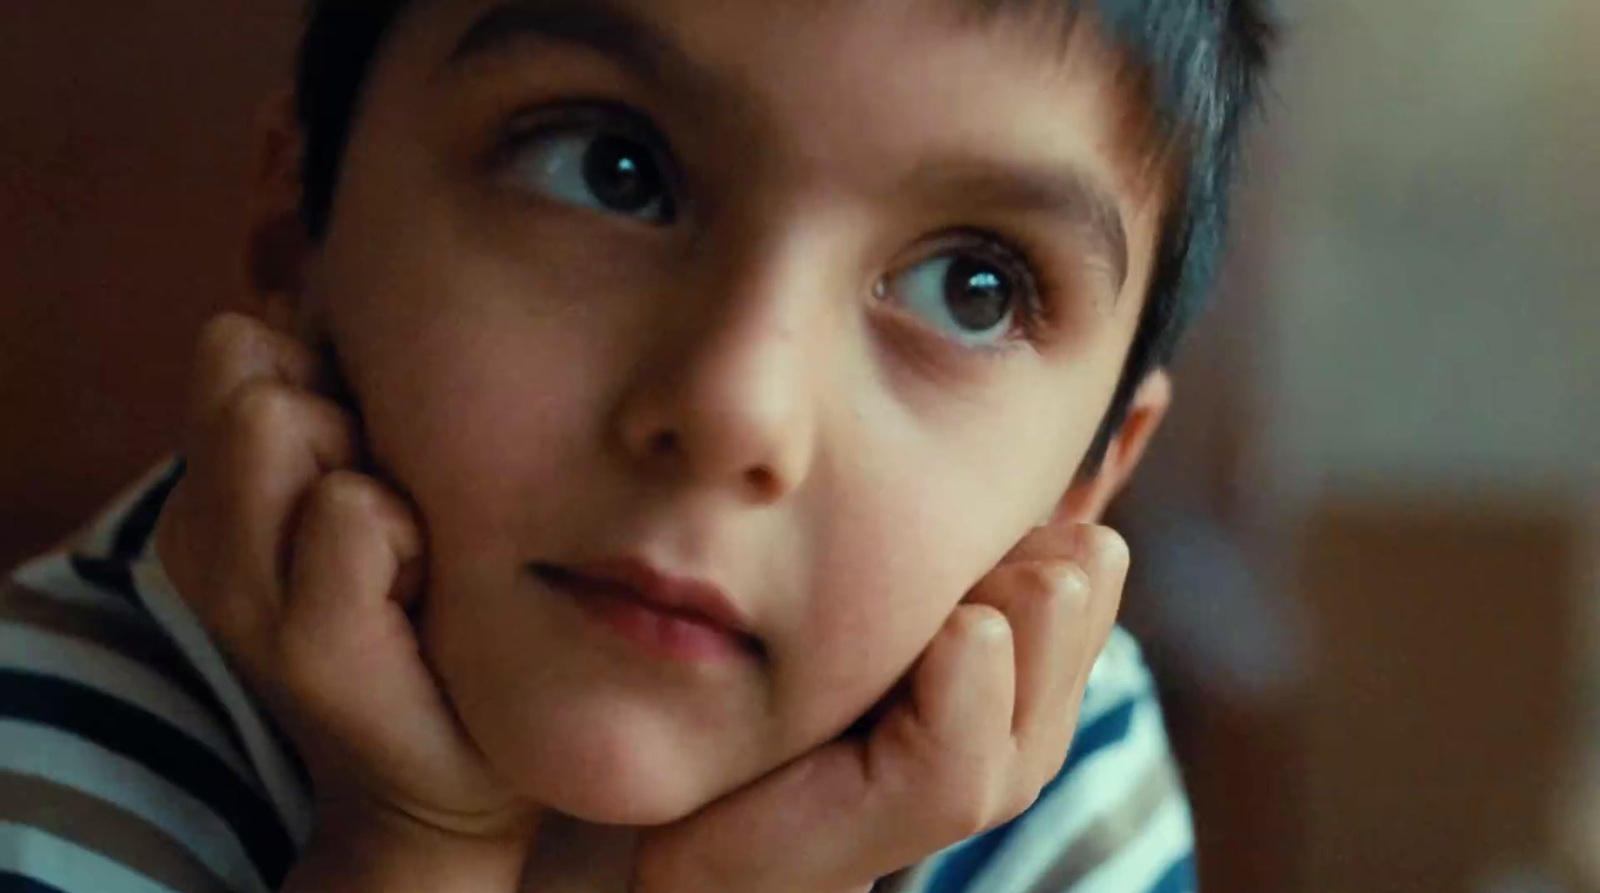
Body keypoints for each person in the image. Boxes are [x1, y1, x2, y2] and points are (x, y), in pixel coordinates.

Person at [0, 1, 1273, 891]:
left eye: (972, 290)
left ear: (1085, 480)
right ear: (297, 223)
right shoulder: (43, 764)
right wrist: (408, 847)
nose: (737, 411)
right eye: (611, 170)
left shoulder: (1048, 782)